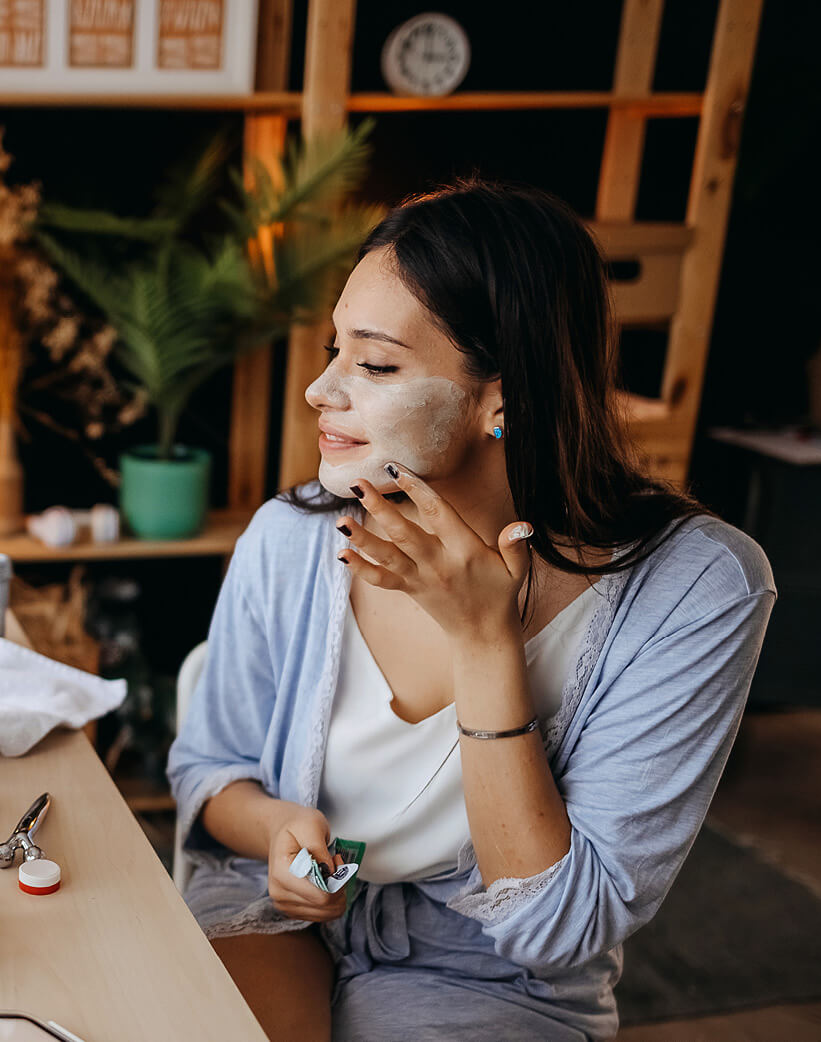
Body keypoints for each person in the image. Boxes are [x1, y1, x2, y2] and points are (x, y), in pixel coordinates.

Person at [167, 179, 776, 1042]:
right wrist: (273, 827)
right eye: (334, 350)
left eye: (374, 365)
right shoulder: (291, 537)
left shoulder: (695, 589)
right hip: (274, 917)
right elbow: (208, 767)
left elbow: (558, 924)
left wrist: (486, 641)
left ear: (504, 397)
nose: (318, 391)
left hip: (497, 974)